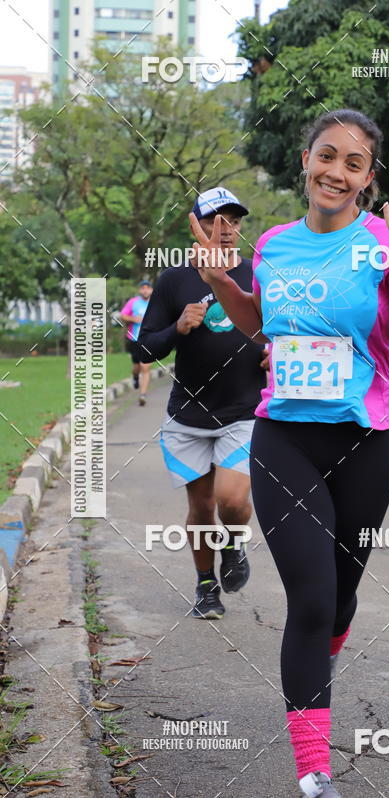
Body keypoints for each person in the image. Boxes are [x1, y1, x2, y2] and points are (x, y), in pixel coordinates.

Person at [188, 109, 389, 798]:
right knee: (310, 599)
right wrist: (221, 285)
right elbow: (261, 325)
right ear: (306, 160)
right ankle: (313, 771)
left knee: (339, 601)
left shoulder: (386, 246)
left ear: (368, 177)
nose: (336, 171)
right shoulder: (274, 245)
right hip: (284, 439)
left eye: (353, 162)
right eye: (326, 155)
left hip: (364, 445)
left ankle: (320, 658)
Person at [137, 187, 267, 620]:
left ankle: (234, 543)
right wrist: (178, 327)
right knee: (200, 507)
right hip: (188, 416)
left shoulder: (257, 275)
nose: (225, 229)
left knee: (231, 499)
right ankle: (206, 585)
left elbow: (282, 332)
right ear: (195, 225)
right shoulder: (175, 279)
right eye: (215, 219)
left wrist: (277, 353)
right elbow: (143, 350)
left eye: (233, 220)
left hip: (243, 412)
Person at [120, 280, 153, 406]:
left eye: (148, 288)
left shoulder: (155, 303)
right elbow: (122, 316)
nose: (145, 290)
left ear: (151, 290)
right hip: (134, 338)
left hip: (150, 339)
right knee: (137, 367)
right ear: (140, 290)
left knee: (146, 367)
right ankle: (135, 377)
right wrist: (134, 319)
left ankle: (143, 394)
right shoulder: (133, 302)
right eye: (143, 288)